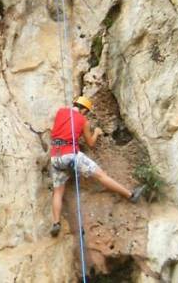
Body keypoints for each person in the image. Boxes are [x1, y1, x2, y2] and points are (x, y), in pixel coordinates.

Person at [48, 96, 145, 237]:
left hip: (55, 157)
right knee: (101, 176)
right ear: (84, 110)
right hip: (71, 155)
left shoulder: (60, 112)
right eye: (86, 112)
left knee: (58, 192)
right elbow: (91, 143)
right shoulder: (83, 121)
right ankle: (131, 195)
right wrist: (97, 133)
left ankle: (56, 223)